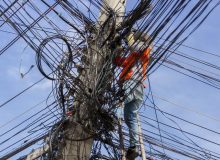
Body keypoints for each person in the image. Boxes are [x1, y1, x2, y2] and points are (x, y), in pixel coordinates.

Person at [112, 31, 152, 160]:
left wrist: (128, 34)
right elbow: (118, 61)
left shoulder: (144, 49)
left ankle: (112, 118)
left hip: (131, 83)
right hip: (138, 90)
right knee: (130, 118)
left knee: (120, 99)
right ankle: (134, 147)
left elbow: (132, 46)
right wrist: (118, 47)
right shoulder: (133, 58)